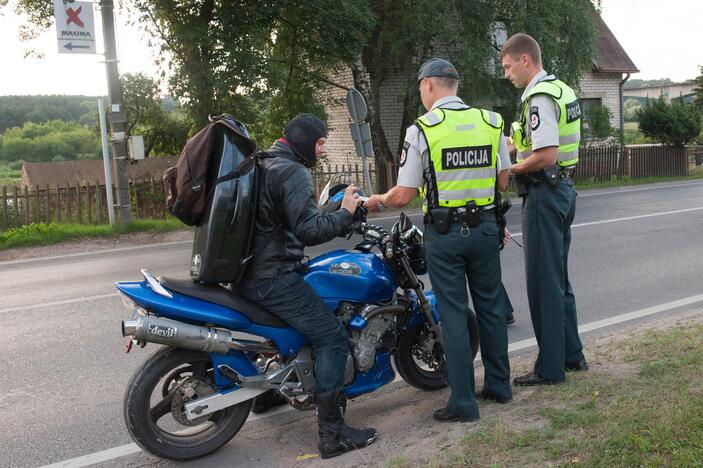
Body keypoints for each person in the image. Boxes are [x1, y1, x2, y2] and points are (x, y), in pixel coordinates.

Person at [365, 58, 512, 423]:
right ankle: (499, 386)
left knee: (453, 313)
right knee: (492, 308)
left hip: (446, 235)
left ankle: (463, 403)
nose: (420, 93)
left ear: (429, 84)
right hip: (486, 230)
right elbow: (503, 182)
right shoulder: (491, 122)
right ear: (455, 85)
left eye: (419, 87)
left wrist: (377, 200)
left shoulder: (424, 130)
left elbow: (404, 195)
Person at [239, 113, 377, 458]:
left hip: (248, 272)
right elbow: (310, 232)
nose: (323, 148)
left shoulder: (262, 163)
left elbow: (286, 217)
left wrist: (328, 210)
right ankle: (333, 435)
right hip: (273, 276)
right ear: (303, 140)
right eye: (319, 142)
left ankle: (266, 394)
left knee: (293, 329)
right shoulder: (293, 172)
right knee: (331, 336)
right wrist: (345, 212)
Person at [500, 33, 588, 386]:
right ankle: (571, 355)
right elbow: (532, 141)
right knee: (558, 280)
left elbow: (545, 154)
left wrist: (512, 171)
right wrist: (507, 144)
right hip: (563, 189)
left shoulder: (537, 97)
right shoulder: (560, 89)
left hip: (544, 193)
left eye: (508, 67)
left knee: (542, 283)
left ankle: (550, 369)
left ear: (525, 60)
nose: (506, 74)